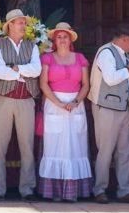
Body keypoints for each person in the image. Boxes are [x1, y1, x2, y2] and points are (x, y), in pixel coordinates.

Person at [87, 24, 129, 204]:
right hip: (107, 108)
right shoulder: (106, 53)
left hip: (124, 109)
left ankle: (124, 190)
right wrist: (128, 71)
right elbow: (110, 79)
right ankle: (100, 190)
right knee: (105, 150)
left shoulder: (125, 55)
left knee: (124, 151)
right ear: (124, 39)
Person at [0, 8, 42, 200]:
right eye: (20, 22)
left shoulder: (32, 46)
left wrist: (15, 68)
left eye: (24, 22)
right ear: (10, 25)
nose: (23, 25)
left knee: (27, 146)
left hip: (26, 100)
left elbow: (37, 70)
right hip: (4, 99)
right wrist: (23, 72)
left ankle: (27, 189)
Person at [37, 22, 92, 201]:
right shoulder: (47, 58)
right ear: (54, 40)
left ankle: (73, 192)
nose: (62, 40)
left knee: (75, 147)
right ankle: (54, 192)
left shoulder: (80, 58)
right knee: (54, 147)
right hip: (54, 104)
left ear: (70, 40)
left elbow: (86, 85)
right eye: (59, 37)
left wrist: (75, 101)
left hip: (75, 105)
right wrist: (58, 103)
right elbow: (43, 84)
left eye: (65, 37)